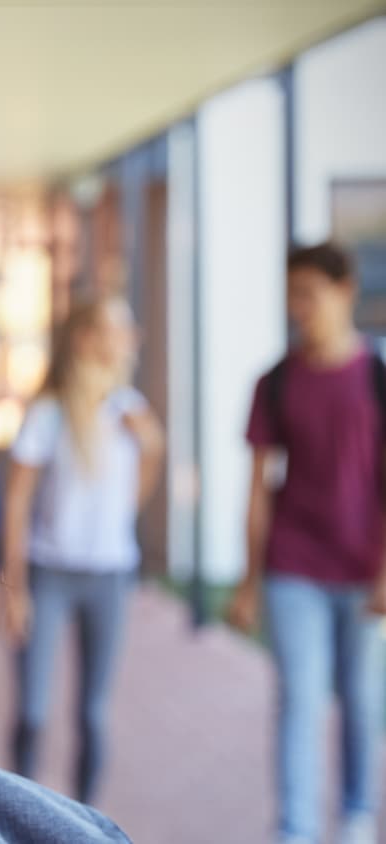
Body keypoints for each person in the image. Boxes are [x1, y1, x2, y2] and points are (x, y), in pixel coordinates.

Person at [226, 242, 385, 844]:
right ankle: (296, 830)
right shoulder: (276, 381)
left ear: (346, 293)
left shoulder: (376, 375)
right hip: (294, 566)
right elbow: (259, 488)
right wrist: (248, 581)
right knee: (299, 699)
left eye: (309, 294)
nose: (298, 308)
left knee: (362, 699)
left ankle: (356, 815)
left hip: (363, 568)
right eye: (292, 294)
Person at [0, 294, 164, 805]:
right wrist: (14, 589)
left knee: (94, 714)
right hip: (49, 575)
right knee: (34, 710)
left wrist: (152, 446)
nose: (129, 338)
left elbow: (142, 484)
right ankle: (20, 811)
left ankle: (82, 818)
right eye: (119, 328)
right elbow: (17, 502)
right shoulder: (48, 412)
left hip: (109, 578)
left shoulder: (131, 410)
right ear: (87, 338)